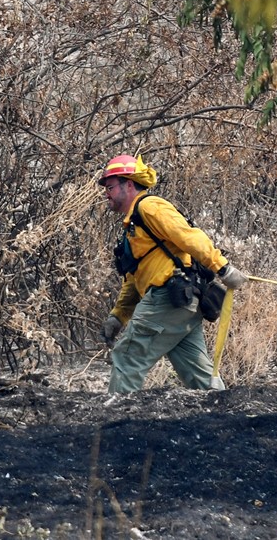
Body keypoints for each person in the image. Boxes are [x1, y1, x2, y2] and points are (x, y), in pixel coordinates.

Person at [98, 153, 248, 393]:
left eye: (110, 186)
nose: (106, 192)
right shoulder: (133, 225)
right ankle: (226, 418)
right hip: (181, 305)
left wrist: (223, 268)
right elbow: (135, 278)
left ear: (128, 184)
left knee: (127, 357)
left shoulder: (149, 207)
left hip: (167, 299)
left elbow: (189, 236)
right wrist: (119, 316)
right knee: (200, 378)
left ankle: (116, 422)